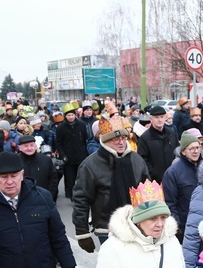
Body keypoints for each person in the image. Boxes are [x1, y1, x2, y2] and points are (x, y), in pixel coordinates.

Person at [73, 118, 149, 251]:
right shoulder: (90, 165)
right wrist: (82, 233)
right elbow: (81, 200)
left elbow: (147, 193)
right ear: (105, 141)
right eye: (115, 139)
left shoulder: (137, 160)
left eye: (124, 138)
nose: (121, 142)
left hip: (137, 226)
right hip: (106, 228)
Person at [163, 132, 203, 242]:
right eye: (191, 149)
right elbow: (170, 202)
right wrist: (178, 226)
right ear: (183, 152)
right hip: (186, 225)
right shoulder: (173, 172)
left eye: (197, 147)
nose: (195, 151)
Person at [56, 102, 90, 199]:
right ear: (65, 116)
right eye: (68, 115)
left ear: (75, 115)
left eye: (72, 115)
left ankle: (82, 193)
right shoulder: (61, 128)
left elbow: (85, 139)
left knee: (81, 177)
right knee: (69, 177)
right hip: (68, 157)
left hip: (80, 155)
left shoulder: (82, 125)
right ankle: (70, 193)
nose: (70, 117)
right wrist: (63, 155)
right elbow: (58, 143)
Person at [137, 106, 179, 183]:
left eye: (162, 117)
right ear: (151, 119)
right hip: (155, 181)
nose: (159, 120)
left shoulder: (171, 134)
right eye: (156, 117)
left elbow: (178, 152)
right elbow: (142, 160)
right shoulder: (145, 138)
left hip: (174, 177)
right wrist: (153, 174)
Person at [18, 135, 58, 201]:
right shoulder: (16, 161)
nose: (29, 148)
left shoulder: (46, 160)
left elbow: (53, 179)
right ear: (20, 148)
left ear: (36, 146)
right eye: (26, 146)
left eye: (31, 145)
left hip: (43, 198)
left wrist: (50, 195)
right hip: (22, 199)